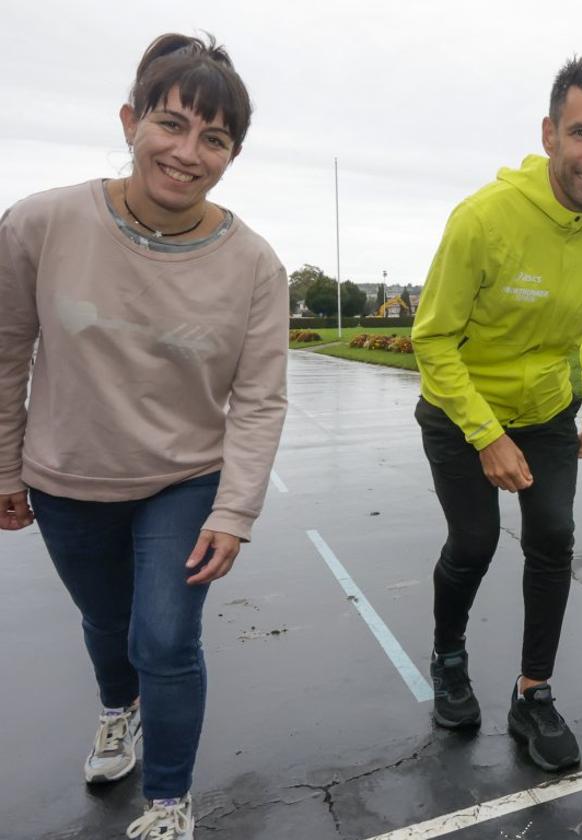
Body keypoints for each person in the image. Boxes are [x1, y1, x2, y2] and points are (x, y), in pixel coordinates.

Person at [0, 33, 288, 840]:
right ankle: (115, 710)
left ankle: (168, 800)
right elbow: (6, 348)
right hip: (67, 479)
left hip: (183, 478)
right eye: (171, 124)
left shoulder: (255, 265)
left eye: (215, 138)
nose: (187, 153)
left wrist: (235, 510)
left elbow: (261, 399)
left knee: (164, 636)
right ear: (131, 121)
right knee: (106, 625)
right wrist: (5, 467)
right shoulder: (39, 223)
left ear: (233, 153)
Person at [412, 53, 582, 772]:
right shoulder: (483, 220)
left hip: (547, 408)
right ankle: (449, 654)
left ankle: (533, 693)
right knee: (475, 542)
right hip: (460, 408)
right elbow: (432, 339)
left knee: (552, 534)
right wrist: (484, 434)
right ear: (549, 134)